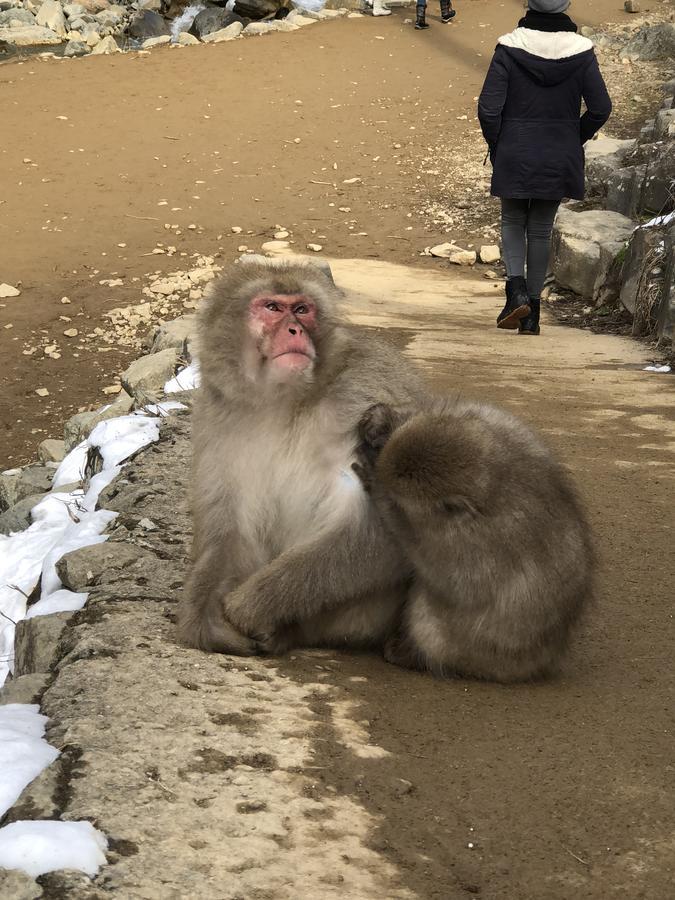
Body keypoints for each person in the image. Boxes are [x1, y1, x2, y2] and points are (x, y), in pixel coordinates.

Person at [477, 0, 611, 335]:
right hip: (558, 151)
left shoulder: (509, 47)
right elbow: (601, 108)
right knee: (540, 229)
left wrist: (498, 144)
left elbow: (489, 109)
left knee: (512, 219)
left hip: (515, 148)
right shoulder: (582, 52)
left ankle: (516, 290)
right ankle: (532, 314)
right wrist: (571, 137)